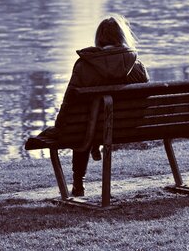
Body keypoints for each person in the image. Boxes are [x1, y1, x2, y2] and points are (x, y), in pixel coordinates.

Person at [42, 14, 149, 197]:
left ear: (99, 38)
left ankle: (78, 184)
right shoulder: (137, 66)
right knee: (87, 126)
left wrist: (60, 127)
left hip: (89, 129)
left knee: (83, 128)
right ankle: (92, 146)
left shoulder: (84, 66)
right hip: (129, 127)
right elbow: (146, 101)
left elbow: (70, 103)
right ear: (123, 37)